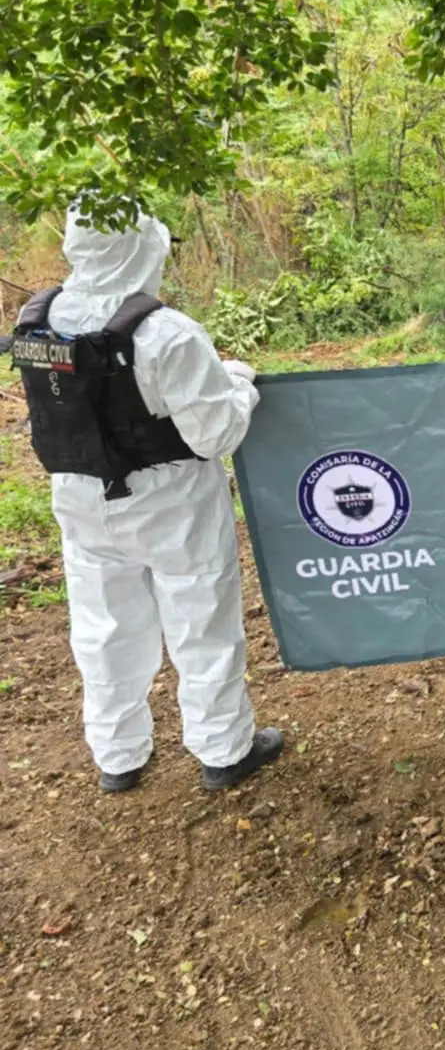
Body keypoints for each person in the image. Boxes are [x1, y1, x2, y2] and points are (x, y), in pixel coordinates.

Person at [9, 204, 284, 792]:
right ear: (143, 248)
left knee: (104, 627)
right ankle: (223, 748)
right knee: (201, 619)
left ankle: (119, 756)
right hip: (172, 502)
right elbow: (217, 433)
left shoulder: (37, 319)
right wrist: (238, 384)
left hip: (81, 498)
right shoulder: (166, 333)